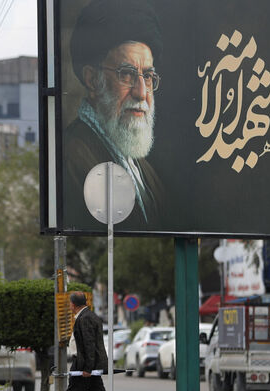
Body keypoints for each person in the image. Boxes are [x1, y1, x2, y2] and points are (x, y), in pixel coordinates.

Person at [64, 0, 165, 227]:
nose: (141, 93)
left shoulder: (142, 168)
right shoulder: (73, 158)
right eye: (127, 74)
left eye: (147, 76)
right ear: (92, 79)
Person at [43, 291, 122, 391]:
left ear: (73, 304)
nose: (69, 306)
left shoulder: (84, 319)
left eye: (70, 304)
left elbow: (89, 345)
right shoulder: (90, 316)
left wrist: (87, 368)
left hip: (84, 365)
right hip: (89, 365)